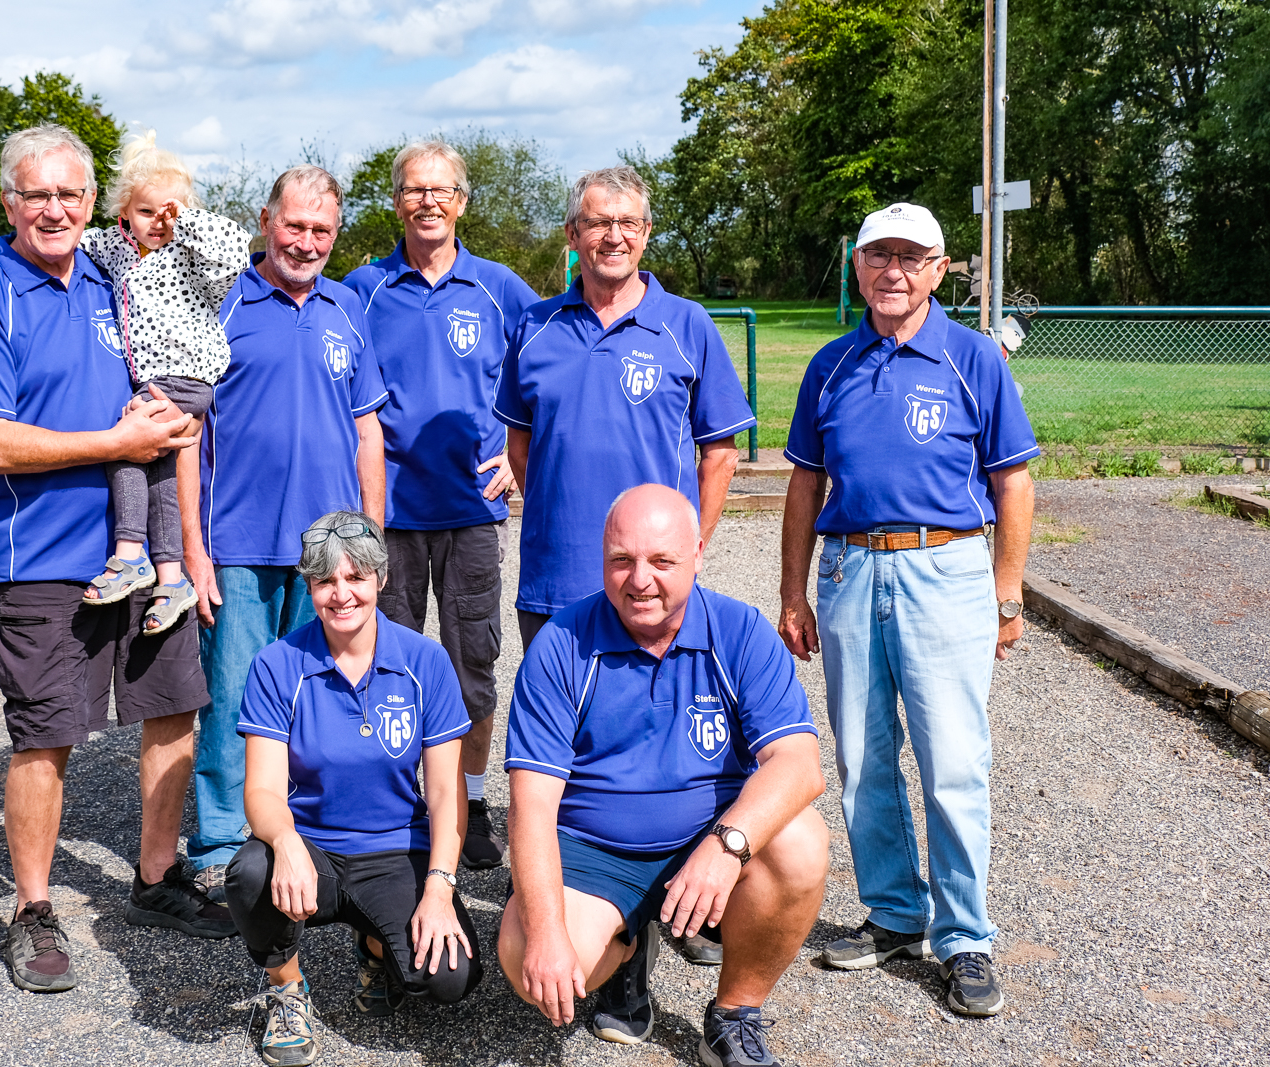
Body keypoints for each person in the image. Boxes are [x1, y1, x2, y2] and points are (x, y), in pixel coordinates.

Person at [0, 124, 235, 995]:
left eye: (71, 194)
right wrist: (112, 439)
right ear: (10, 204)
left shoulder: (118, 276)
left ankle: (153, 879)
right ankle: (32, 908)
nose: (56, 209)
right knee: (47, 734)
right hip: (46, 558)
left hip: (150, 554)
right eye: (38, 195)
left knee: (172, 707)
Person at [777, 202, 1037, 1018]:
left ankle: (965, 936)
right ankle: (895, 912)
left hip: (946, 563)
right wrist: (792, 589)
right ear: (857, 268)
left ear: (938, 268)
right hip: (852, 567)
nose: (893, 270)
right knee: (861, 751)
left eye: (910, 256)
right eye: (877, 255)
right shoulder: (830, 364)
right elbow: (804, 483)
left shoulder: (972, 359)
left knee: (954, 759)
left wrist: (1007, 588)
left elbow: (1013, 482)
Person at [499, 484, 829, 1067]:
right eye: (621, 561)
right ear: (601, 558)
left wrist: (726, 848)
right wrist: (547, 934)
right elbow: (532, 806)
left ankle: (733, 1016)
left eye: (662, 561)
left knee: (802, 843)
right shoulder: (561, 647)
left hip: (709, 837)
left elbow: (799, 765)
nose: (639, 580)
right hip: (594, 848)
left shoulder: (741, 633)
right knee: (531, 963)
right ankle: (626, 951)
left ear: (698, 554)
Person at [180, 165, 389, 900]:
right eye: (294, 225)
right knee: (236, 695)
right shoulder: (223, 302)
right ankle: (217, 842)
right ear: (266, 220)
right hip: (236, 541)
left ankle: (300, 828)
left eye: (321, 230)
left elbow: (368, 431)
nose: (306, 242)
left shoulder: (347, 308)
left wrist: (372, 539)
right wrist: (193, 549)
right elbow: (188, 430)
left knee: (319, 695)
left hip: (329, 552)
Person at [343, 139, 540, 872]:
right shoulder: (359, 288)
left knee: (470, 667)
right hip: (387, 517)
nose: (428, 201)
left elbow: (554, 367)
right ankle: (397, 805)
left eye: (441, 189)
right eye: (413, 189)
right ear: (396, 200)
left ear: (462, 201)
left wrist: (522, 458)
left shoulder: (500, 288)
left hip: (471, 513)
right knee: (386, 666)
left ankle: (471, 799)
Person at [226, 511, 483, 1067]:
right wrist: (288, 845)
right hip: (311, 848)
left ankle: (373, 947)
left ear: (381, 579)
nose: (341, 595)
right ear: (309, 586)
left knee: (449, 979)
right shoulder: (277, 665)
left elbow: (445, 793)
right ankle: (287, 991)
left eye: (355, 578)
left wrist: (439, 888)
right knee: (250, 872)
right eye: (324, 582)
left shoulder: (424, 661)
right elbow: (263, 791)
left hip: (394, 848)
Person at [493, 165, 755, 653]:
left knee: (653, 722)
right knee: (558, 725)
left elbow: (720, 455)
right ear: (573, 234)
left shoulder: (688, 324)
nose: (614, 237)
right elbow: (521, 447)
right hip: (554, 584)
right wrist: (560, 516)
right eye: (598, 223)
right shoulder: (534, 326)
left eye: (629, 223)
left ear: (646, 232)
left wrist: (685, 551)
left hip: (654, 587)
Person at [79, 131, 251, 634]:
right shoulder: (117, 251)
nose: (160, 221)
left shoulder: (193, 258)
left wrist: (186, 220)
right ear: (124, 214)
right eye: (148, 211)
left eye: (170, 211)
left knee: (125, 444)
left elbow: (234, 250)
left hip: (186, 375)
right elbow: (74, 242)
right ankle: (171, 578)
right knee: (161, 474)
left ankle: (130, 553)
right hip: (156, 379)